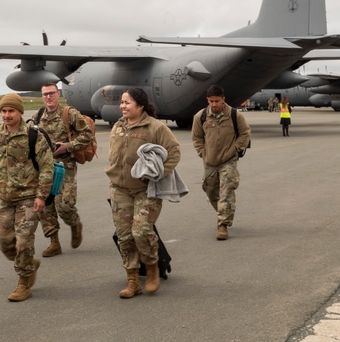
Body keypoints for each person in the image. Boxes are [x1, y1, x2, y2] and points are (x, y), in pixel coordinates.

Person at [0, 93, 54, 302]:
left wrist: (41, 196)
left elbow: (46, 167)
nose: (6, 115)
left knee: (23, 242)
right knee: (2, 240)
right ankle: (28, 263)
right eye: (3, 111)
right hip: (4, 197)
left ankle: (24, 282)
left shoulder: (32, 135)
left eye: (11, 111)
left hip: (28, 197)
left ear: (20, 112)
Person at [105, 87, 181, 298]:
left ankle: (152, 268)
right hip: (119, 189)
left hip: (146, 190)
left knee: (141, 232)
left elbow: (174, 153)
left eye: (127, 103)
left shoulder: (155, 127)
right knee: (124, 236)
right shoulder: (118, 126)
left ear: (140, 105)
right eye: (121, 102)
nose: (122, 106)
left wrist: (158, 173)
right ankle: (132, 280)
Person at [31, 82, 94, 257]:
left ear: (58, 94)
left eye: (51, 93)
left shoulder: (69, 114)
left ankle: (74, 223)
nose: (48, 97)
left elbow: (87, 133)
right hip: (44, 167)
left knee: (65, 204)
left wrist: (68, 146)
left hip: (65, 166)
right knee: (45, 205)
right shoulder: (38, 115)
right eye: (45, 94)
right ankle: (54, 242)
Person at [191, 85, 251, 241]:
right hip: (210, 161)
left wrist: (235, 149)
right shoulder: (201, 116)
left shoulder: (234, 115)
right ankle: (224, 211)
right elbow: (197, 138)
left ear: (223, 99)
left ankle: (222, 225)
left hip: (228, 160)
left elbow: (245, 134)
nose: (214, 105)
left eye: (217, 101)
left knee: (226, 191)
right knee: (210, 191)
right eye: (211, 101)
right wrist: (202, 152)